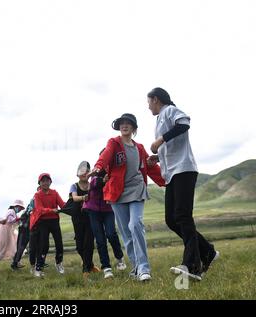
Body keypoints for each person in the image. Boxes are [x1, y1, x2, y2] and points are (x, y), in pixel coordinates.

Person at [147, 87, 219, 280]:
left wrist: (160, 139)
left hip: (184, 170)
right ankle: (208, 251)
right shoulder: (159, 118)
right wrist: (158, 157)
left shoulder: (169, 110)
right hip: (172, 173)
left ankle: (192, 266)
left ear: (156, 99)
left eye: (149, 102)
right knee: (172, 219)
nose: (148, 107)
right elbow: (173, 146)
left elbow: (184, 124)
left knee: (182, 215)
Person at [89, 113, 165, 281]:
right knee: (126, 233)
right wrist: (98, 166)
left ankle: (144, 268)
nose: (124, 125)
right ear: (119, 127)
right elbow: (106, 155)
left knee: (135, 224)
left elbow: (150, 168)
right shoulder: (114, 143)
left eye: (128, 123)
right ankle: (136, 267)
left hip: (136, 188)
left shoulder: (139, 147)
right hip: (117, 192)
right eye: (122, 123)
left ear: (134, 128)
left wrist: (167, 180)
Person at [83, 162, 126, 279]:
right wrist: (103, 180)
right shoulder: (95, 173)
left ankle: (119, 257)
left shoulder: (114, 171)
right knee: (100, 240)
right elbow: (92, 184)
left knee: (111, 234)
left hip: (108, 209)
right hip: (93, 211)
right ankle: (106, 268)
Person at [30, 173, 66, 277]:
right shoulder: (37, 195)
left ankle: (59, 263)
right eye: (43, 181)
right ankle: (39, 268)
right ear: (39, 183)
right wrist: (52, 210)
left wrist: (70, 205)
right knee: (44, 245)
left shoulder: (54, 193)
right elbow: (40, 209)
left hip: (54, 221)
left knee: (59, 243)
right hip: (43, 222)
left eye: (47, 180)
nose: (45, 182)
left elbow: (62, 205)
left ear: (50, 182)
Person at [68, 161, 98, 277]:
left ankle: (86, 270)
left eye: (86, 171)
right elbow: (74, 198)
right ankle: (90, 265)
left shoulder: (92, 185)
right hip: (77, 218)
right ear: (78, 174)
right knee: (79, 246)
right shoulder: (74, 186)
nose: (84, 174)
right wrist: (84, 197)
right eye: (82, 172)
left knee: (88, 243)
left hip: (91, 216)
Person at [0, 200, 25, 270]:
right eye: (20, 208)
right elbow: (10, 220)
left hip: (10, 231)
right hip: (5, 231)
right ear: (16, 206)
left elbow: (15, 222)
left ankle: (16, 262)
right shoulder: (11, 211)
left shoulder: (14, 212)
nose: (21, 209)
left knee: (15, 246)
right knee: (3, 249)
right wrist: (19, 219)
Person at [11, 198, 34, 270]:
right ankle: (15, 263)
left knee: (23, 247)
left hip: (26, 228)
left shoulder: (29, 207)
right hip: (25, 229)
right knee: (21, 247)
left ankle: (16, 263)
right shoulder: (31, 207)